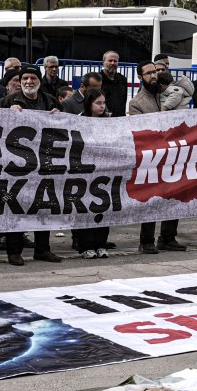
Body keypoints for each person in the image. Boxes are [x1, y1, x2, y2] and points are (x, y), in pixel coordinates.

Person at [0, 66, 62, 265]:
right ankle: (14, 251)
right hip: (16, 167)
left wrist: (59, 115)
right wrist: (7, 113)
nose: (28, 81)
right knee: (15, 207)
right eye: (25, 78)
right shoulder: (7, 102)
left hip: (44, 165)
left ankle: (42, 249)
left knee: (44, 207)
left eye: (33, 77)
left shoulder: (49, 101)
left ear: (39, 81)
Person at [128, 61, 189, 254]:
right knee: (151, 198)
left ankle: (168, 237)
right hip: (151, 156)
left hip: (172, 153)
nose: (153, 76)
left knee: (174, 194)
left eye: (155, 72)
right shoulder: (137, 103)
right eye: (148, 74)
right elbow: (141, 131)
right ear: (140, 78)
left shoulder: (168, 93)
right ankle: (146, 240)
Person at [73, 91, 112, 259]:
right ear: (89, 104)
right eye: (98, 103)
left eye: (103, 102)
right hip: (84, 171)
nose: (102, 106)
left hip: (104, 172)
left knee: (103, 207)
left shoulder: (110, 122)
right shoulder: (78, 121)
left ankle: (101, 244)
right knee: (85, 209)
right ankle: (85, 245)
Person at [99, 50, 128, 117]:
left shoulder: (123, 80)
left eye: (115, 61)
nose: (112, 63)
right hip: (102, 120)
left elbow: (124, 101)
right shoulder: (98, 79)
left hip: (120, 119)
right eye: (110, 60)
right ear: (103, 62)